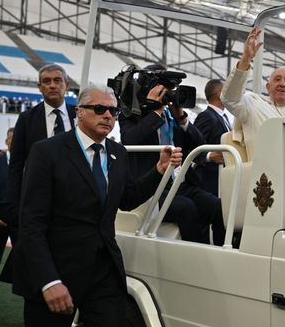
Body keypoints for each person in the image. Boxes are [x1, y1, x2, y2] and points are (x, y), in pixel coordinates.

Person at [11, 85, 182, 327]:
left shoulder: (118, 153)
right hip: (58, 269)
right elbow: (31, 223)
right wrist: (49, 281)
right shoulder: (46, 152)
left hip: (104, 271)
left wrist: (159, 170)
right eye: (100, 109)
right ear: (79, 112)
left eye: (113, 111)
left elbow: (128, 198)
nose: (108, 116)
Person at [119, 64, 224, 245]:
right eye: (163, 89)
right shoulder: (131, 113)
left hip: (178, 184)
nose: (168, 94)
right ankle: (198, 257)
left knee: (217, 206)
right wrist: (155, 111)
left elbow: (199, 144)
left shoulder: (171, 115)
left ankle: (222, 252)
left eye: (170, 90)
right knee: (187, 208)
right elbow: (130, 139)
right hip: (151, 187)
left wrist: (182, 118)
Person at [221, 27, 285, 178]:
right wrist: (246, 58)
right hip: (273, 180)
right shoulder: (252, 104)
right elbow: (229, 98)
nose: (282, 84)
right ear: (268, 86)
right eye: (277, 79)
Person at [0, 64, 76, 227]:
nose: (52, 85)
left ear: (66, 85)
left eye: (57, 80)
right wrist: (13, 206)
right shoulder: (26, 119)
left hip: (75, 200)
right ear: (40, 87)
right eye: (46, 81)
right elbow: (16, 165)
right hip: (38, 202)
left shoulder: (79, 115)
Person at [0, 128, 16, 312]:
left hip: (20, 225)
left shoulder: (31, 163)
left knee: (30, 264)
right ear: (6, 142)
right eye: (12, 139)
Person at [194, 79, 232, 195]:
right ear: (220, 94)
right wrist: (209, 156)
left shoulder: (224, 117)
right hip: (209, 181)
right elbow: (193, 145)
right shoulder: (206, 116)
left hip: (221, 179)